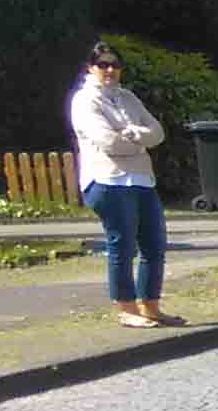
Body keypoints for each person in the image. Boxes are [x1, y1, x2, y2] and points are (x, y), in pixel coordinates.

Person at [68, 47, 174, 329]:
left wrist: (136, 134)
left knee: (154, 244)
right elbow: (109, 142)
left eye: (115, 65)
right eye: (103, 65)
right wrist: (140, 142)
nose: (110, 70)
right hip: (107, 181)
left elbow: (158, 133)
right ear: (90, 68)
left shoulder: (128, 98)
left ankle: (150, 306)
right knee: (122, 245)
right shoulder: (84, 101)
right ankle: (126, 308)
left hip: (141, 179)